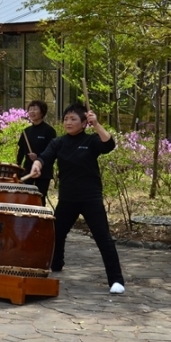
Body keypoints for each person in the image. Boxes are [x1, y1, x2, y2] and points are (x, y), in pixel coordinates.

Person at [29, 103, 126, 294]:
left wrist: (97, 124)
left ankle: (116, 280)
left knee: (103, 239)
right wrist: (37, 165)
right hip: (67, 199)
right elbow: (45, 157)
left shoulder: (91, 141)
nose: (68, 122)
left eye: (73, 119)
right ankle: (56, 264)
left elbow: (109, 145)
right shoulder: (59, 142)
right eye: (66, 119)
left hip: (90, 198)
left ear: (84, 123)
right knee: (56, 234)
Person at [17, 100, 57, 206]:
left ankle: (40, 221)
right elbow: (21, 151)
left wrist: (38, 158)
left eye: (35, 109)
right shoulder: (26, 131)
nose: (32, 112)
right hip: (27, 170)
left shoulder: (49, 131)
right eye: (30, 109)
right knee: (25, 197)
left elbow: (53, 152)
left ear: (42, 112)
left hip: (44, 171)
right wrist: (18, 166)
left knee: (39, 197)